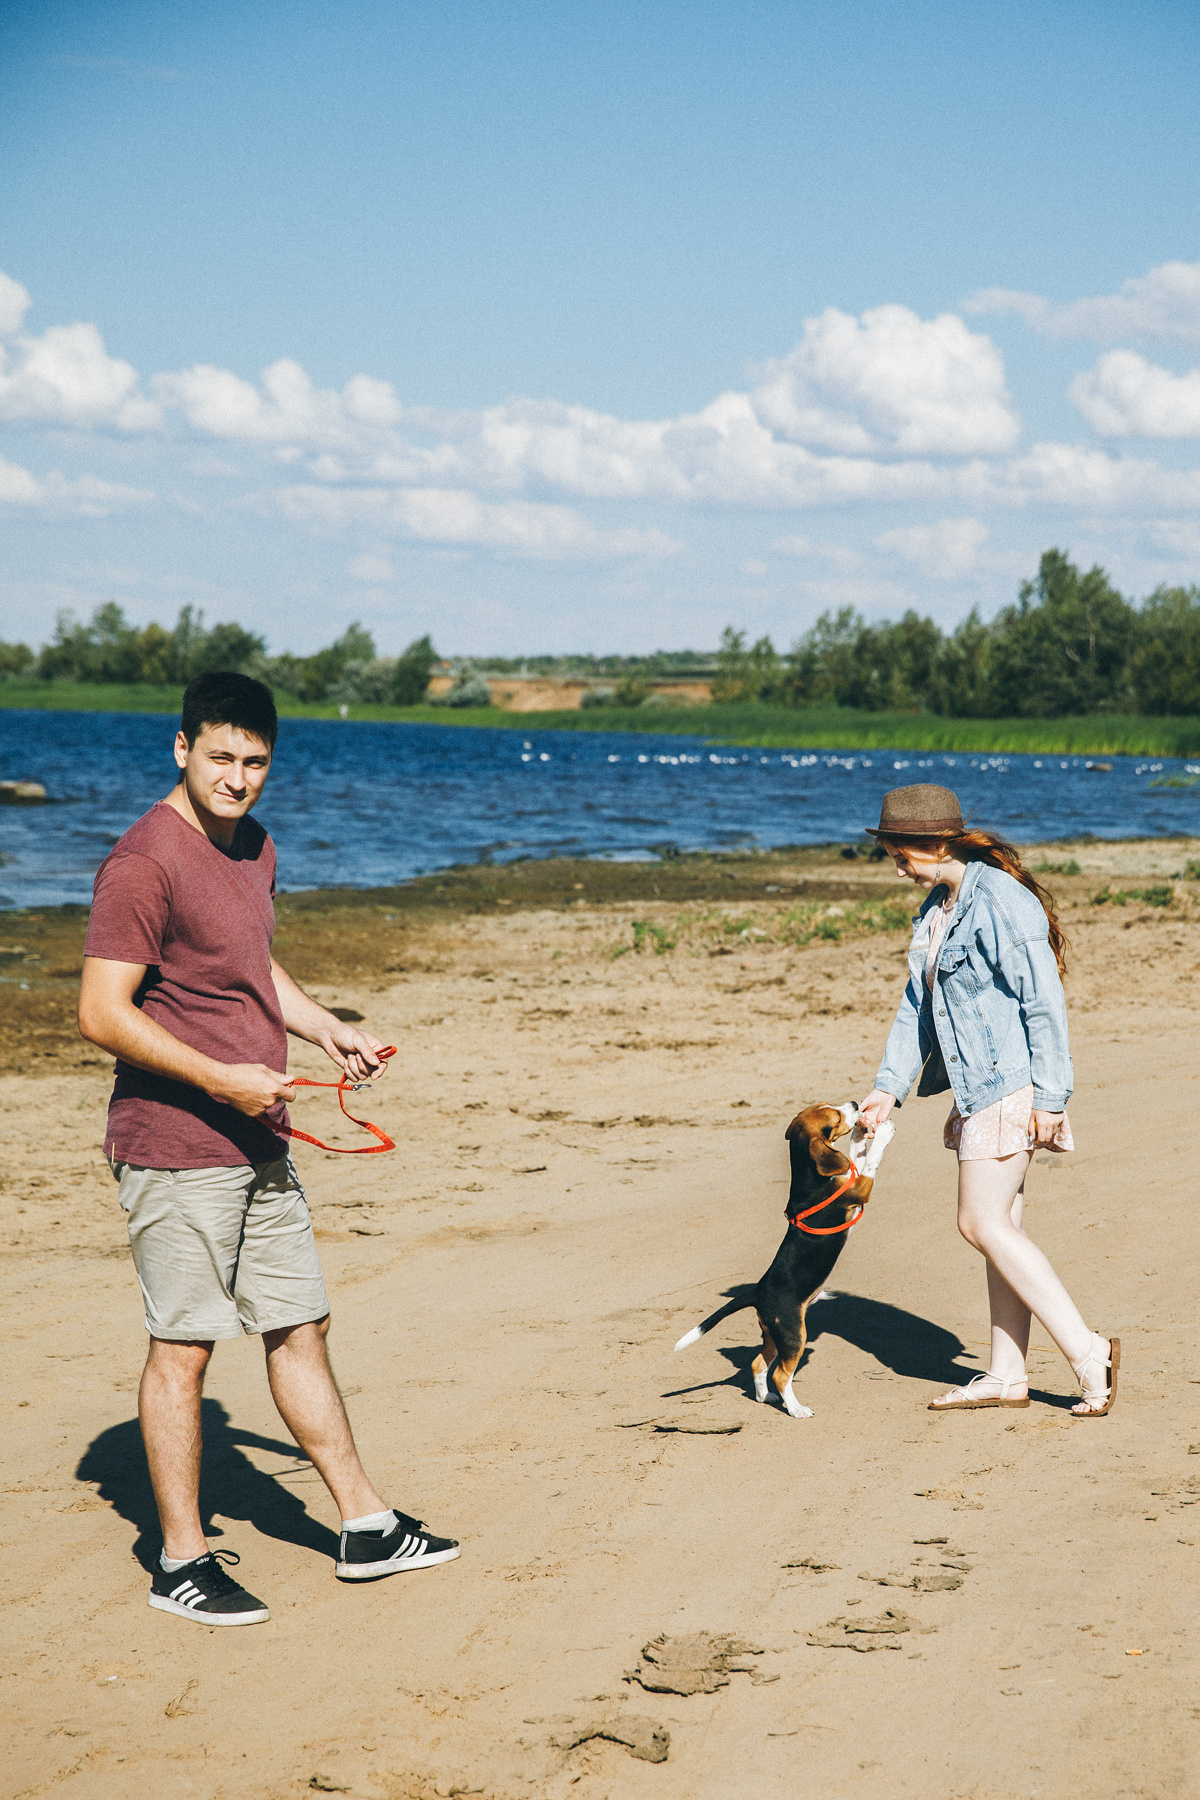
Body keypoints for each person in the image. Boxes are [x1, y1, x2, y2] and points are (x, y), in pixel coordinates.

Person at [78, 671, 460, 1626]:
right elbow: (98, 1013)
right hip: (175, 1144)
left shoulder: (253, 846)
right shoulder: (143, 861)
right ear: (181, 748)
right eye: (221, 757)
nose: (239, 778)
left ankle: (365, 1525)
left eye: (256, 762)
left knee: (300, 1325)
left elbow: (248, 967)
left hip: (259, 1136)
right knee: (186, 1351)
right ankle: (179, 1560)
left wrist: (326, 1027)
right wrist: (218, 1077)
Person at [856, 783, 1118, 1417]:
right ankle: (1006, 1374)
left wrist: (1053, 1096)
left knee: (981, 1223)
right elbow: (917, 1007)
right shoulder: (936, 911)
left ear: (939, 842)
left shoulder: (1001, 901)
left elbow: (1043, 1002)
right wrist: (887, 1088)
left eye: (903, 856)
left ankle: (1089, 1353)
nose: (898, 870)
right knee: (1004, 1228)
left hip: (1011, 1083)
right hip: (977, 1087)